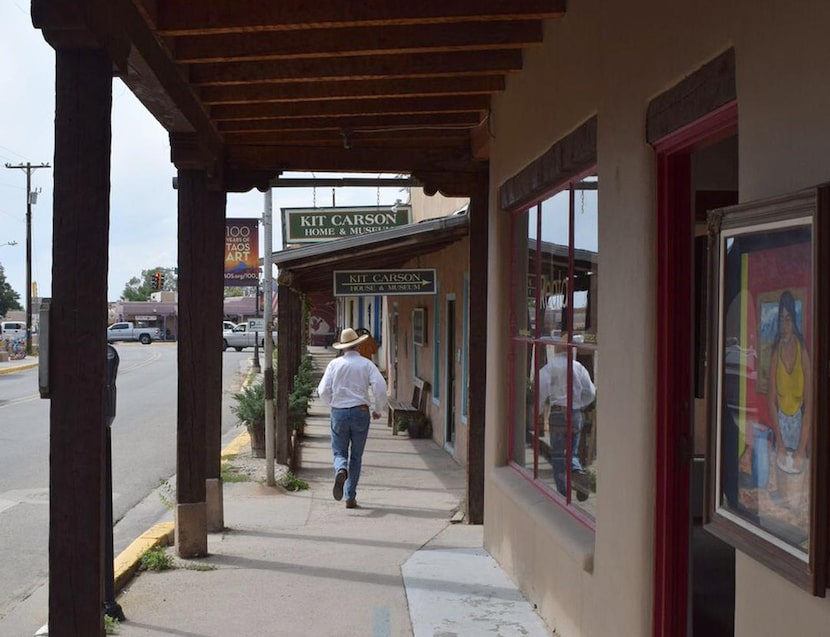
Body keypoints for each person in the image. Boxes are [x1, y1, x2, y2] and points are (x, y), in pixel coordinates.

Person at [317, 327, 388, 509]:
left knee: (340, 452)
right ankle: (350, 496)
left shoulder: (334, 365)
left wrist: (332, 403)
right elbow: (380, 386)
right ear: (357, 345)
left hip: (339, 412)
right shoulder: (366, 364)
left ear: (342, 347)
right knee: (356, 456)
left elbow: (323, 390)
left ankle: (341, 469)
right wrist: (378, 409)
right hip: (360, 411)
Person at [537, 321, 596, 496]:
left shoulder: (551, 367)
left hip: (557, 412)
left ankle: (564, 492)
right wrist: (580, 404)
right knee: (572, 451)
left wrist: (539, 409)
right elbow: (591, 392)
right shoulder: (579, 367)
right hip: (575, 412)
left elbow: (541, 388)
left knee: (557, 454)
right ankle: (577, 473)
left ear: (557, 349)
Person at [767, 290, 812, 481]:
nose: (785, 325)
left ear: (794, 320)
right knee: (783, 480)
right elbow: (771, 402)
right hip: (781, 426)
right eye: (781, 320)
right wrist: (781, 446)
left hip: (800, 425)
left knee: (800, 480)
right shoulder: (775, 353)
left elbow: (809, 404)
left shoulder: (803, 351)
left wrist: (801, 448)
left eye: (788, 319)